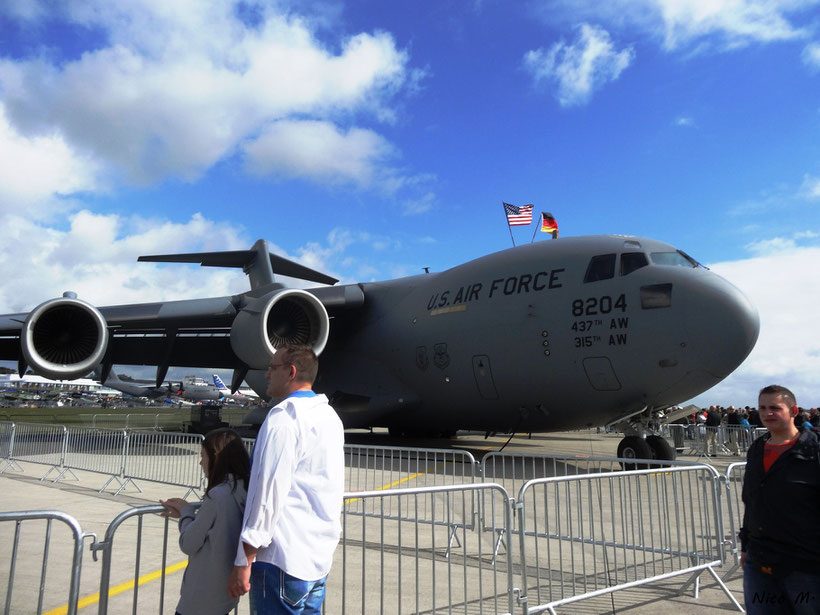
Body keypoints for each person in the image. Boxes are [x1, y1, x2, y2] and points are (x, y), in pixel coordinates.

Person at [228, 344, 345, 614]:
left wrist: (244, 559)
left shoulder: (284, 418)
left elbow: (266, 494)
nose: (267, 374)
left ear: (290, 372)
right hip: (317, 559)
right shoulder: (329, 416)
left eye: (272, 368)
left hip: (281, 562)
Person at [740, 385, 820, 614]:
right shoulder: (757, 449)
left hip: (805, 566)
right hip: (759, 562)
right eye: (763, 408)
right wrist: (746, 546)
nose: (768, 413)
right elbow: (752, 502)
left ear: (793, 410)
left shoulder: (813, 451)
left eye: (775, 407)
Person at [160, 428, 250, 615]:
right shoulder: (243, 489)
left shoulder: (217, 495)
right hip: (224, 595)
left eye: (203, 456)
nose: (201, 462)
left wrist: (186, 512)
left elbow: (189, 543)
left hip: (201, 598)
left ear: (216, 456)